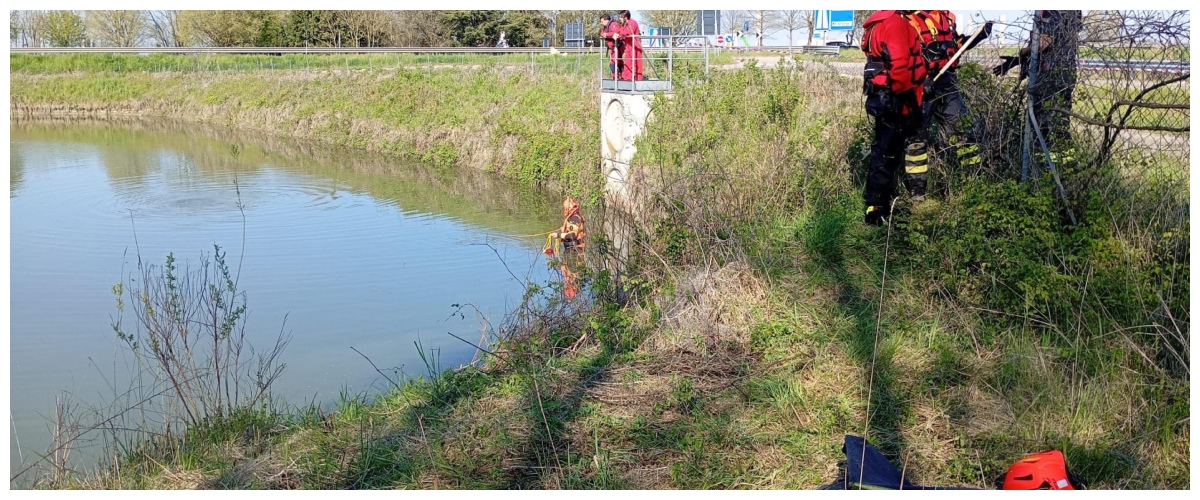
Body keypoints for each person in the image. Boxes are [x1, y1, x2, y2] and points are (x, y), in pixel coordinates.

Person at [906, 11, 993, 200]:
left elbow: (956, 45)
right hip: (921, 84)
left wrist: (978, 37)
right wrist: (920, 78)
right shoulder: (909, 18)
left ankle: (972, 185)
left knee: (965, 131)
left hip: (947, 82)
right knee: (916, 138)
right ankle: (917, 194)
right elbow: (904, 55)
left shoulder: (947, 17)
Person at [859, 10, 929, 226]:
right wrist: (910, 103)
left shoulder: (877, 24)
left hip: (884, 97)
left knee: (885, 151)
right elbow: (899, 69)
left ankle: (878, 206)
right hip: (896, 99)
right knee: (887, 153)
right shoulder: (895, 24)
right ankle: (877, 211)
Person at [547, 196, 587, 299]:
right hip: (571, 251)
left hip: (575, 251)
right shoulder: (574, 217)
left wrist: (559, 235)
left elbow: (572, 236)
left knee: (572, 268)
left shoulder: (575, 218)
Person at [616, 10, 644, 81]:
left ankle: (638, 78)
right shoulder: (624, 24)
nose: (620, 19)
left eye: (621, 17)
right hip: (629, 45)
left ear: (625, 17)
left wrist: (620, 34)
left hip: (635, 45)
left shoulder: (632, 23)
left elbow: (627, 32)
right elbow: (621, 31)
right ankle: (627, 77)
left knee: (637, 62)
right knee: (628, 62)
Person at [599, 14, 621, 79]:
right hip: (612, 47)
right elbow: (601, 33)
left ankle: (617, 77)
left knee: (614, 63)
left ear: (606, 20)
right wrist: (603, 34)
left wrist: (607, 34)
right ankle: (616, 76)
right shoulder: (606, 27)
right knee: (615, 62)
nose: (601, 23)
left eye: (602, 21)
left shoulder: (613, 24)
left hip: (617, 46)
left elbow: (616, 32)